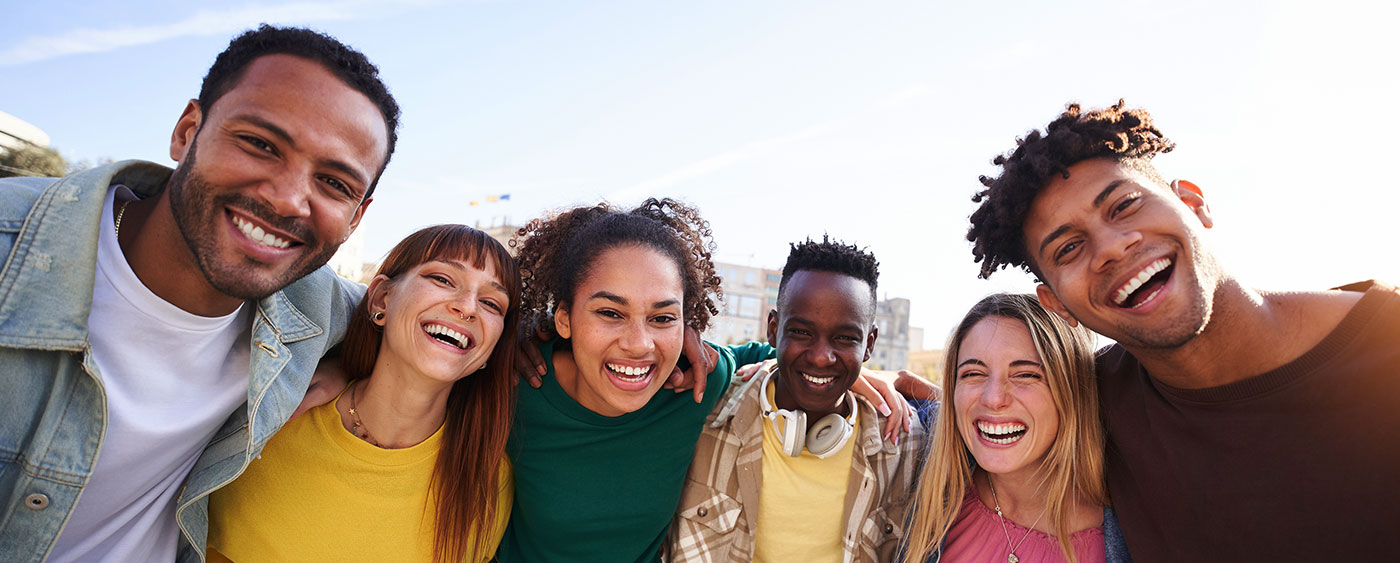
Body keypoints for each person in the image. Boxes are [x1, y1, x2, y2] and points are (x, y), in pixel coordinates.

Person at [0, 25, 400, 562]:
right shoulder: (13, 249)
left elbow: (440, 327)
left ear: (357, 218)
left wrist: (529, 344)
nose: (287, 201)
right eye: (260, 144)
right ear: (188, 131)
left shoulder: (320, 308)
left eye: (334, 183)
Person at [966, 101, 1400, 561]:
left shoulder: (1385, 347)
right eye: (1070, 248)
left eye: (1125, 205)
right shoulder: (1088, 401)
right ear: (1056, 304)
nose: (1112, 248)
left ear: (1193, 203)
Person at [205, 225, 516, 562]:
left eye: (491, 303)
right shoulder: (273, 413)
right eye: (442, 279)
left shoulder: (489, 480)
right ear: (382, 299)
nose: (468, 307)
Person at [494, 198, 776, 562]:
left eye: (662, 318)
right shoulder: (516, 384)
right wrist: (511, 335)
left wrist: (845, 378)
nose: (639, 344)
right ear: (563, 319)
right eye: (611, 313)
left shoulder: (696, 383)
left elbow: (776, 354)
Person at [669, 236, 925, 562]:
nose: (821, 357)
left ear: (870, 343)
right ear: (773, 329)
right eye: (802, 332)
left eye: (845, 338)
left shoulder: (905, 441)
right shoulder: (706, 412)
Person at [904, 293, 1129, 563]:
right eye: (973, 374)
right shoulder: (927, 477)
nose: (993, 399)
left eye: (1026, 374)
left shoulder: (1130, 532)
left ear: (1070, 390)